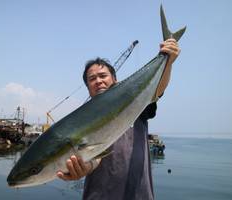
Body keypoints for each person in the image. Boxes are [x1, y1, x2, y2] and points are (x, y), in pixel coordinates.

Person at [56, 38, 180, 200]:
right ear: (88, 88)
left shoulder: (135, 103)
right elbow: (95, 158)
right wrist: (83, 168)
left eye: (103, 76)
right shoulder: (82, 121)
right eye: (92, 79)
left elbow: (156, 89)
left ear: (115, 80)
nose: (98, 81)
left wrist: (168, 62)